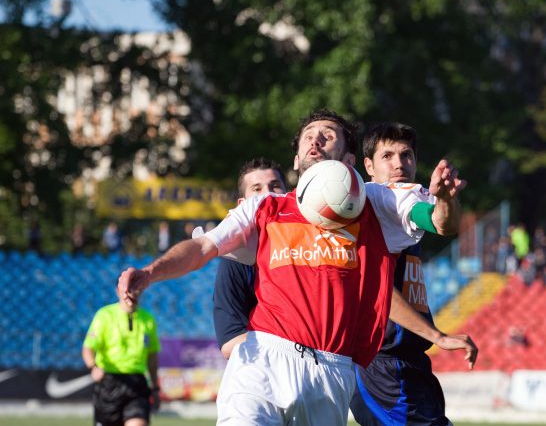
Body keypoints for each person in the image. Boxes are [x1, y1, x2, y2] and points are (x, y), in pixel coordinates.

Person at [118, 108, 477, 426]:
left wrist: (443, 200)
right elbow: (202, 247)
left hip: (332, 371)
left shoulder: (376, 203)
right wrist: (149, 273)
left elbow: (435, 221)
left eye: (328, 135)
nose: (316, 141)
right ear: (295, 160)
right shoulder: (265, 208)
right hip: (261, 357)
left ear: (349, 159)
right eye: (308, 136)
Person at [350, 122, 477, 426]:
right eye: (387, 156)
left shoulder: (396, 199)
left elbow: (442, 222)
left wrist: (445, 199)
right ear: (368, 165)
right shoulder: (385, 195)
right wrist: (438, 336)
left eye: (406, 155)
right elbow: (376, 286)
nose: (399, 164)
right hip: (382, 362)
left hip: (407, 360)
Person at [213, 157, 287, 359]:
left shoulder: (311, 245)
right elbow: (229, 341)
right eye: (257, 189)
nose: (268, 195)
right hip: (261, 374)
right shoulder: (234, 260)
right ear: (242, 204)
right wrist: (291, 348)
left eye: (275, 186)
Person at [82, 281, 161, 426]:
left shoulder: (148, 319)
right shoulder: (104, 315)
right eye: (127, 290)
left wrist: (155, 388)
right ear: (118, 292)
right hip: (109, 383)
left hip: (137, 384)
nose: (132, 293)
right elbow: (88, 348)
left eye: (136, 289)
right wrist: (93, 367)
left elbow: (152, 358)